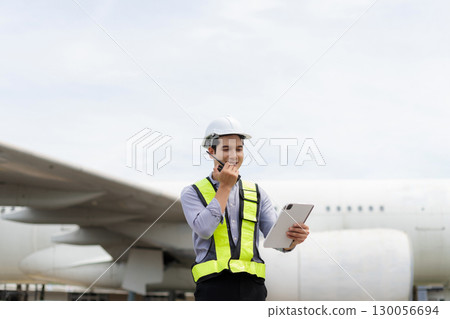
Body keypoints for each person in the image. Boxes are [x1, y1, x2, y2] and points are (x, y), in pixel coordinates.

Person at [180, 115, 309, 301]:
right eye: (226, 149)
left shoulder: (257, 193)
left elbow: (276, 240)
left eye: (239, 149)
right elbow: (204, 229)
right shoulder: (192, 193)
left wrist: (293, 240)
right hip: (213, 287)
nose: (234, 155)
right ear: (210, 151)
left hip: (253, 288)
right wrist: (224, 187)